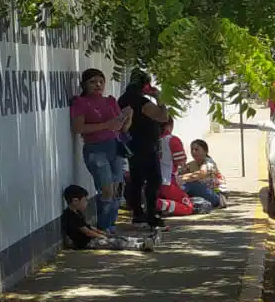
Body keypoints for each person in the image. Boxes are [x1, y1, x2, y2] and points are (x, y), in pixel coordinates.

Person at [69, 68, 132, 232]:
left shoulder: (110, 101)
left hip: (115, 146)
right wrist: (106, 125)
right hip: (95, 149)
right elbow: (78, 127)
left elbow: (122, 128)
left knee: (117, 189)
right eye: (92, 82)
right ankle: (103, 226)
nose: (98, 85)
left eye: (101, 81)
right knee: (106, 189)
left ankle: (111, 225)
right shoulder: (80, 102)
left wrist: (127, 116)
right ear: (84, 84)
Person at [119, 72, 170, 228]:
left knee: (137, 179)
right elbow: (163, 117)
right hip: (145, 145)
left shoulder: (122, 99)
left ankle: (138, 213)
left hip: (133, 143)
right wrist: (158, 97)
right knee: (153, 180)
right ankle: (150, 213)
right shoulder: (140, 101)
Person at [61, 185, 155, 251]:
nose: (87, 202)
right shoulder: (71, 216)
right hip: (86, 242)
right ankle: (140, 246)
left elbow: (88, 227)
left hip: (91, 239)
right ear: (75, 201)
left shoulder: (78, 212)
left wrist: (102, 232)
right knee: (113, 243)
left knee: (115, 237)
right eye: (85, 200)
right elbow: (87, 232)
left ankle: (143, 240)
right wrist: (101, 236)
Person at [179, 138, 226, 209]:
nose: (193, 152)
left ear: (205, 151)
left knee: (190, 184)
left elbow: (200, 174)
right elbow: (178, 173)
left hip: (216, 197)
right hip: (203, 194)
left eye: (197, 149)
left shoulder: (209, 163)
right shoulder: (192, 164)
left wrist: (182, 179)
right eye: (192, 150)